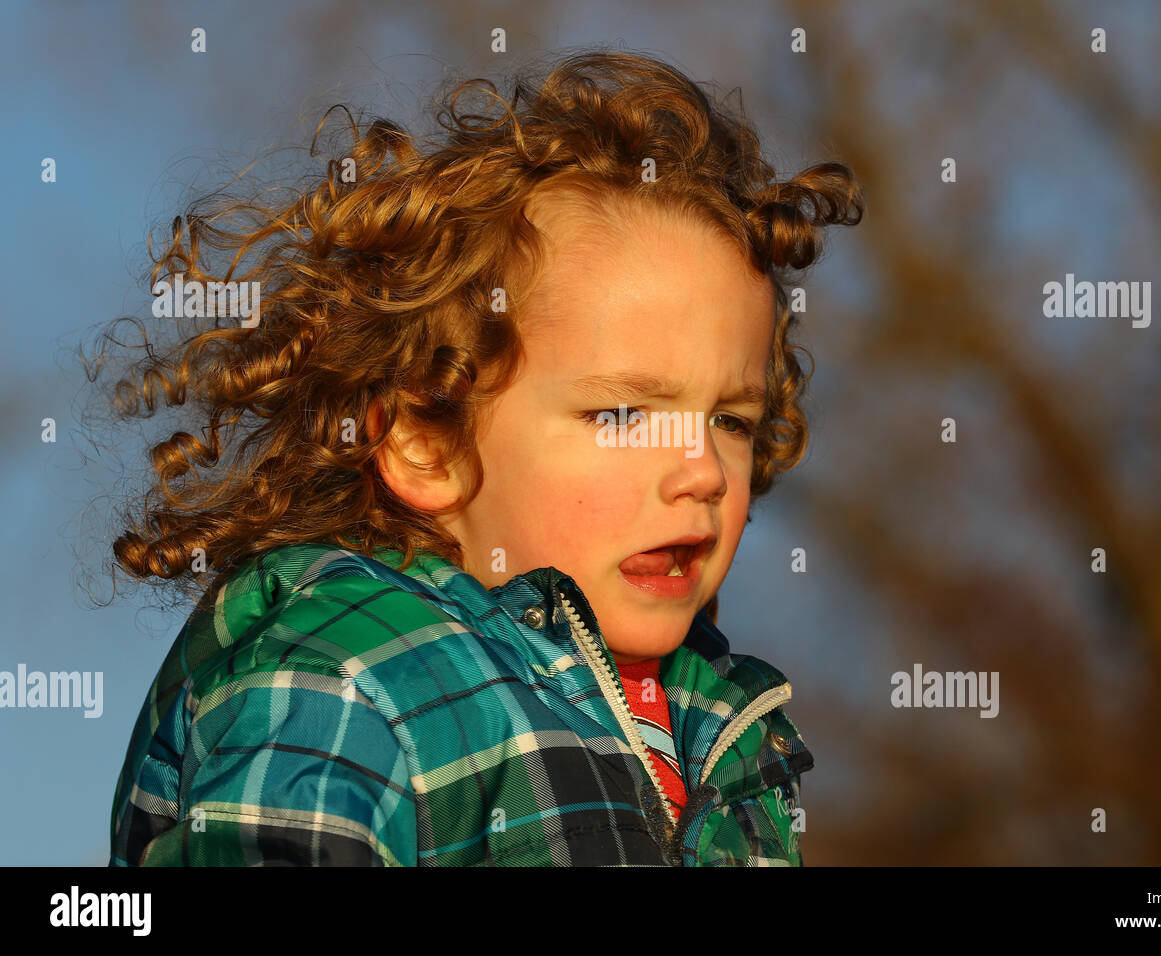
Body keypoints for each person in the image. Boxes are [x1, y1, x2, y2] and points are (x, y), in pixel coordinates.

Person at [103, 48, 863, 866]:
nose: (704, 472)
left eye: (732, 421)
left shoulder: (724, 726)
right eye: (621, 412)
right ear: (426, 442)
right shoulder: (352, 675)